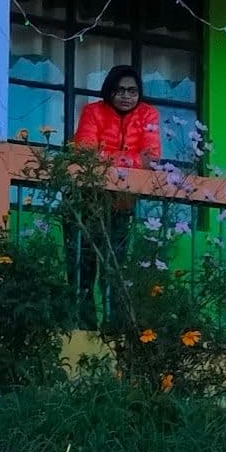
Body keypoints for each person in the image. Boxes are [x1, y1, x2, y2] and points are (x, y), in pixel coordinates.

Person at [65, 65, 160, 307]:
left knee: (115, 270)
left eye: (132, 91)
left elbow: (154, 159)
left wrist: (107, 157)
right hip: (86, 202)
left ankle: (115, 326)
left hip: (122, 205)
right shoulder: (93, 111)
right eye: (119, 90)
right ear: (109, 91)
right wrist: (135, 160)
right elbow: (85, 153)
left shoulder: (148, 115)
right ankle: (83, 324)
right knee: (82, 269)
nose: (126, 96)